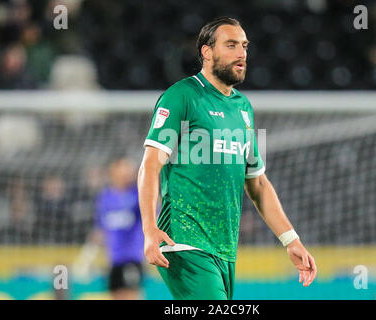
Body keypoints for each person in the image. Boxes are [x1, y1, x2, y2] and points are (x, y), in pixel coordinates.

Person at [138, 17, 317, 300]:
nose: (241, 53)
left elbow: (257, 183)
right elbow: (150, 165)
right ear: (207, 52)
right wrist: (149, 229)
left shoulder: (243, 108)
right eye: (231, 45)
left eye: (244, 46)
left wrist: (290, 239)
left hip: (224, 249)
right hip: (184, 241)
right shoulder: (182, 96)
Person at [74, 156, 145, 300]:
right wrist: (86, 259)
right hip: (113, 259)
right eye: (124, 167)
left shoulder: (138, 195)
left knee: (131, 295)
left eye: (129, 168)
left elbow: (152, 218)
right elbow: (99, 230)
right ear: (113, 171)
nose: (128, 172)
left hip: (132, 258)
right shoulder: (105, 197)